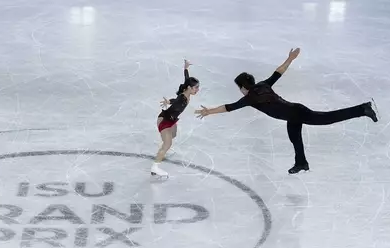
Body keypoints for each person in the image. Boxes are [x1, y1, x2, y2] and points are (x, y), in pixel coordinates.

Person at [194, 48, 378, 174]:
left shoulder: (250, 97)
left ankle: (362, 109)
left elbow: (229, 107)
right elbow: (278, 72)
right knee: (294, 136)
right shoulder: (263, 85)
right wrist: (290, 59)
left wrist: (209, 112)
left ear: (243, 86)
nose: (239, 90)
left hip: (296, 113)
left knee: (327, 119)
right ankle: (301, 163)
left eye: (238, 87)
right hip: (293, 112)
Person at [151, 59, 200, 178]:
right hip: (164, 120)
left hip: (172, 120)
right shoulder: (182, 98)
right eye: (196, 88)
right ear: (189, 88)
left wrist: (186, 68)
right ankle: (155, 168)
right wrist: (169, 101)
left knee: (173, 135)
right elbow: (177, 101)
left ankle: (163, 149)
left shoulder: (185, 90)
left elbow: (186, 78)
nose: (197, 90)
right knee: (168, 143)